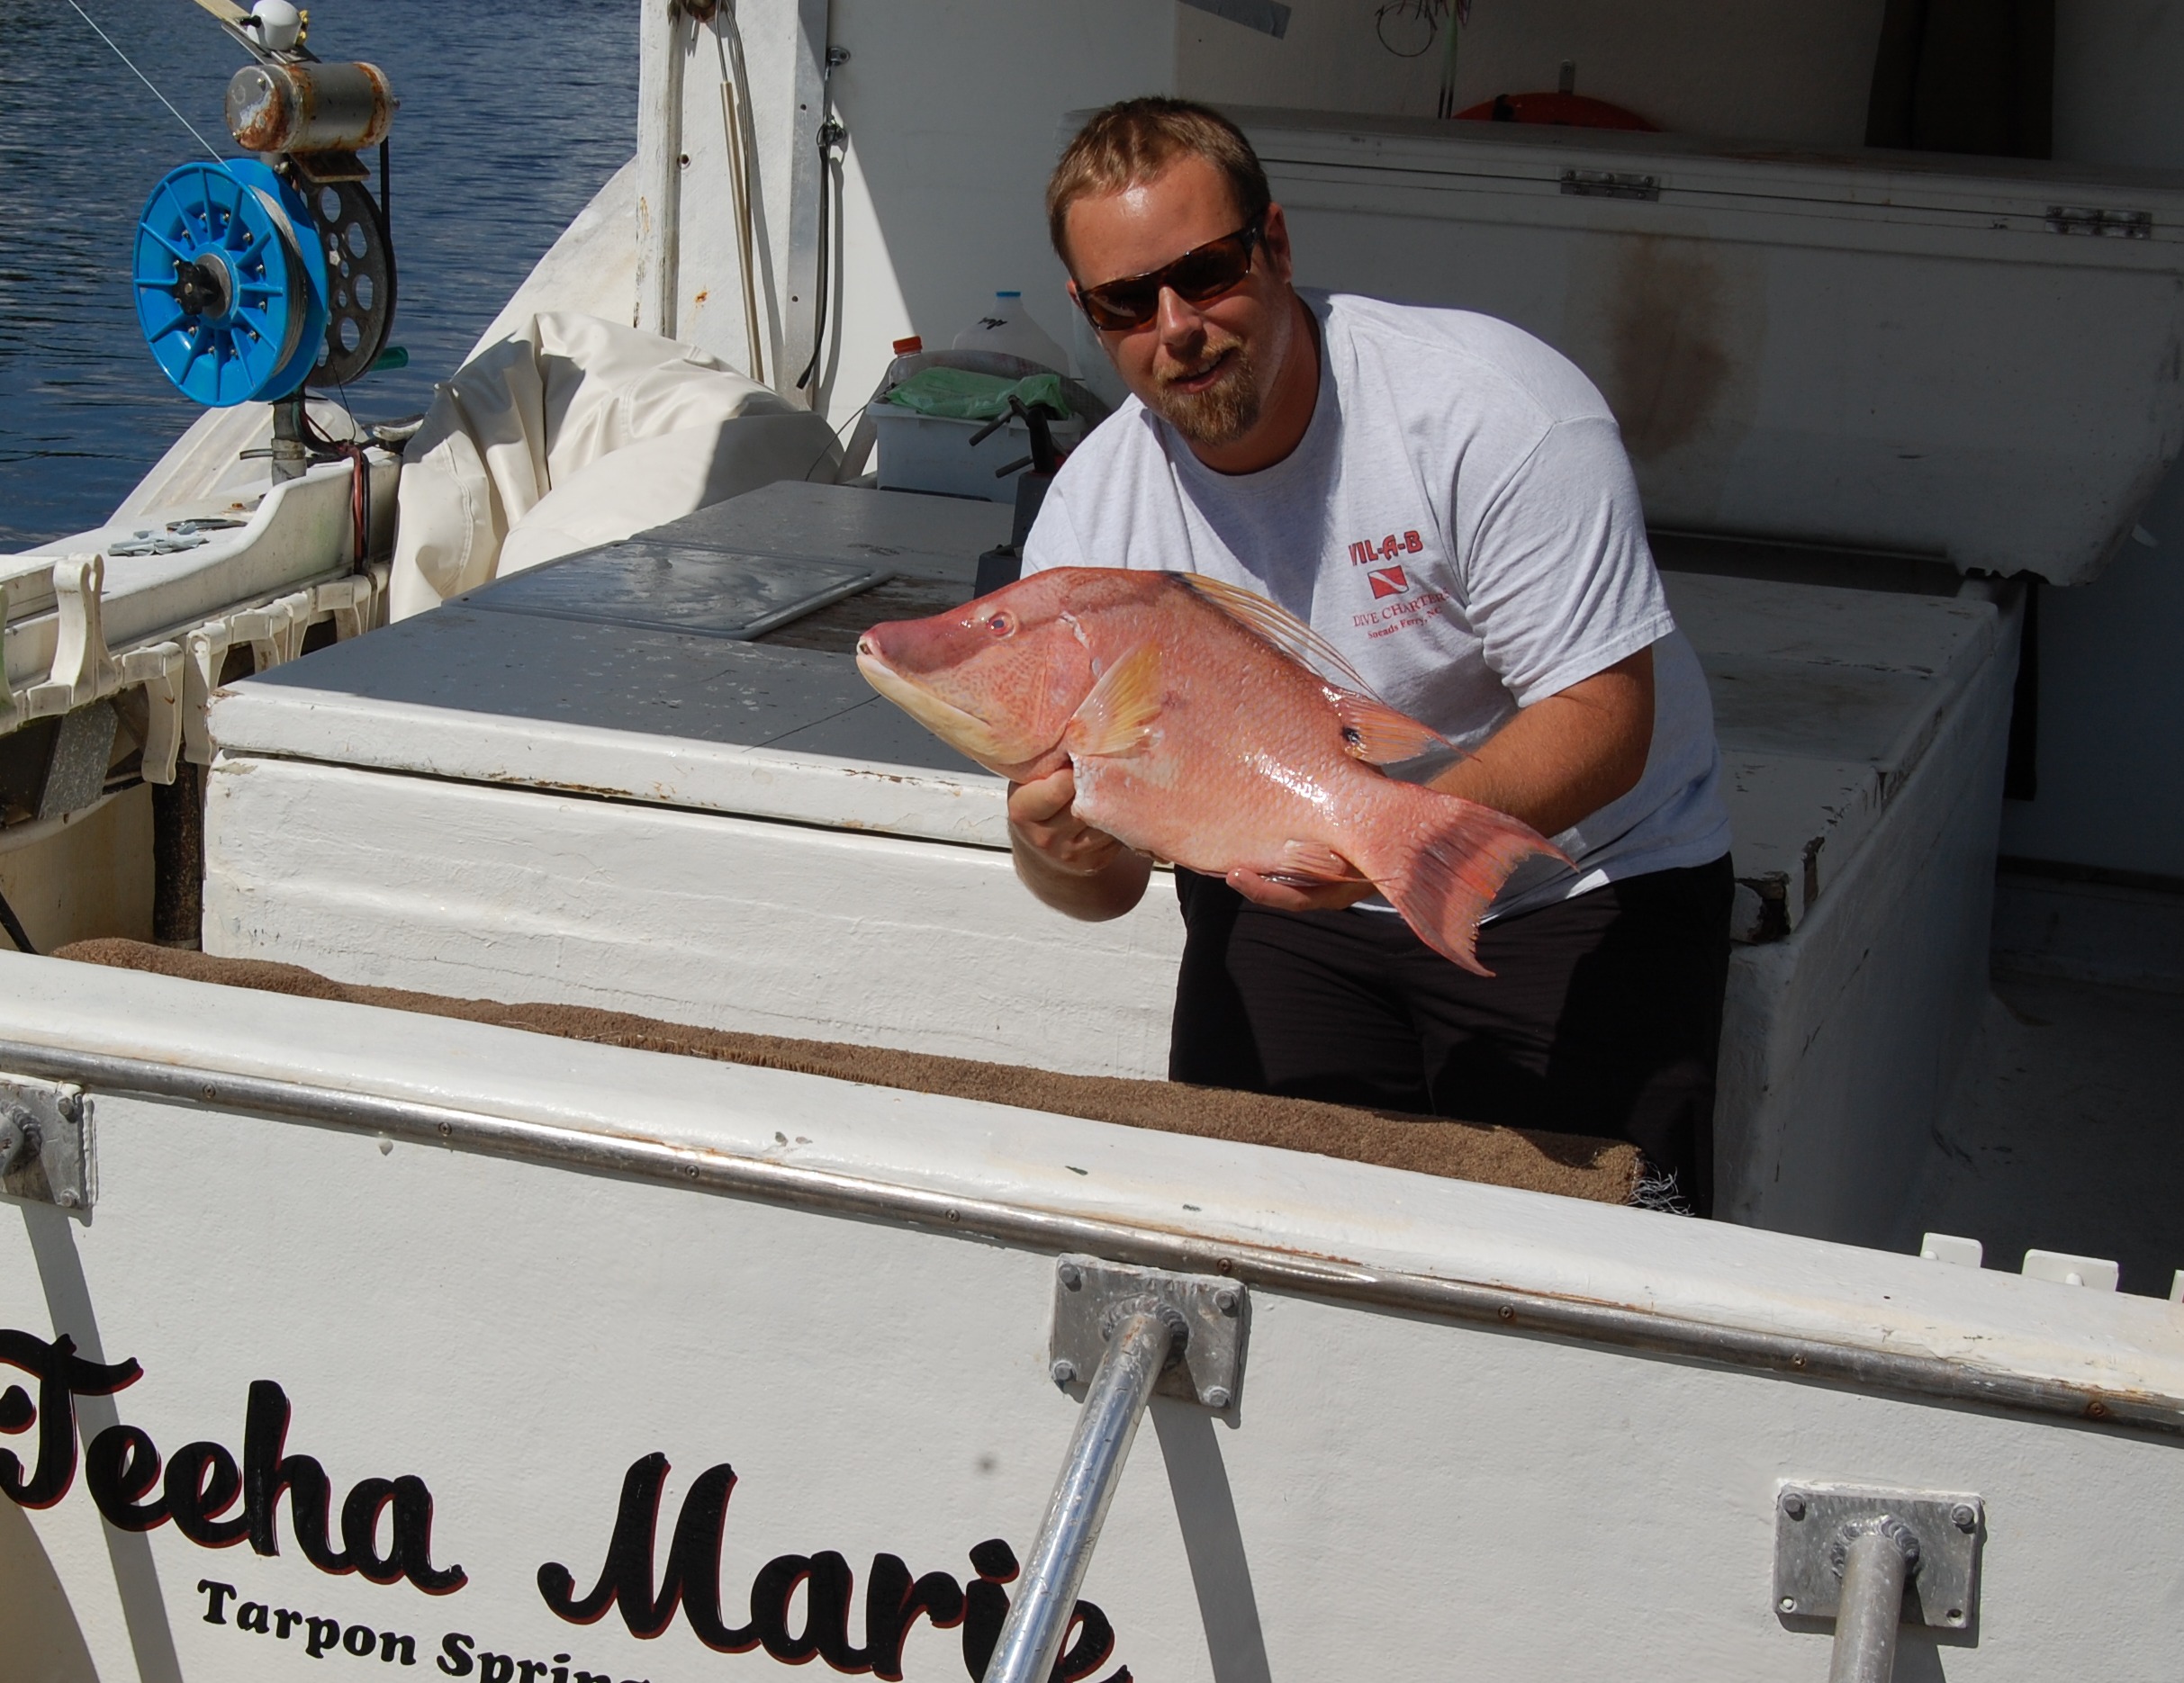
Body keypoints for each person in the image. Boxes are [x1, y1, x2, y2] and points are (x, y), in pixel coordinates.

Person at [1011, 99, 1733, 1212]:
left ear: (1277, 244)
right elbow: (1105, 887)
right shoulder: (1090, 524)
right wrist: (1055, 849)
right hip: (1296, 909)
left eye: (1205, 272)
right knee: (1244, 1236)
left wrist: (1387, 840)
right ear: (1088, 316)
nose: (1175, 327)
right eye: (1124, 302)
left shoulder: (1489, 410)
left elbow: (1602, 715)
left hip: (1579, 878)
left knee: (1597, 1278)